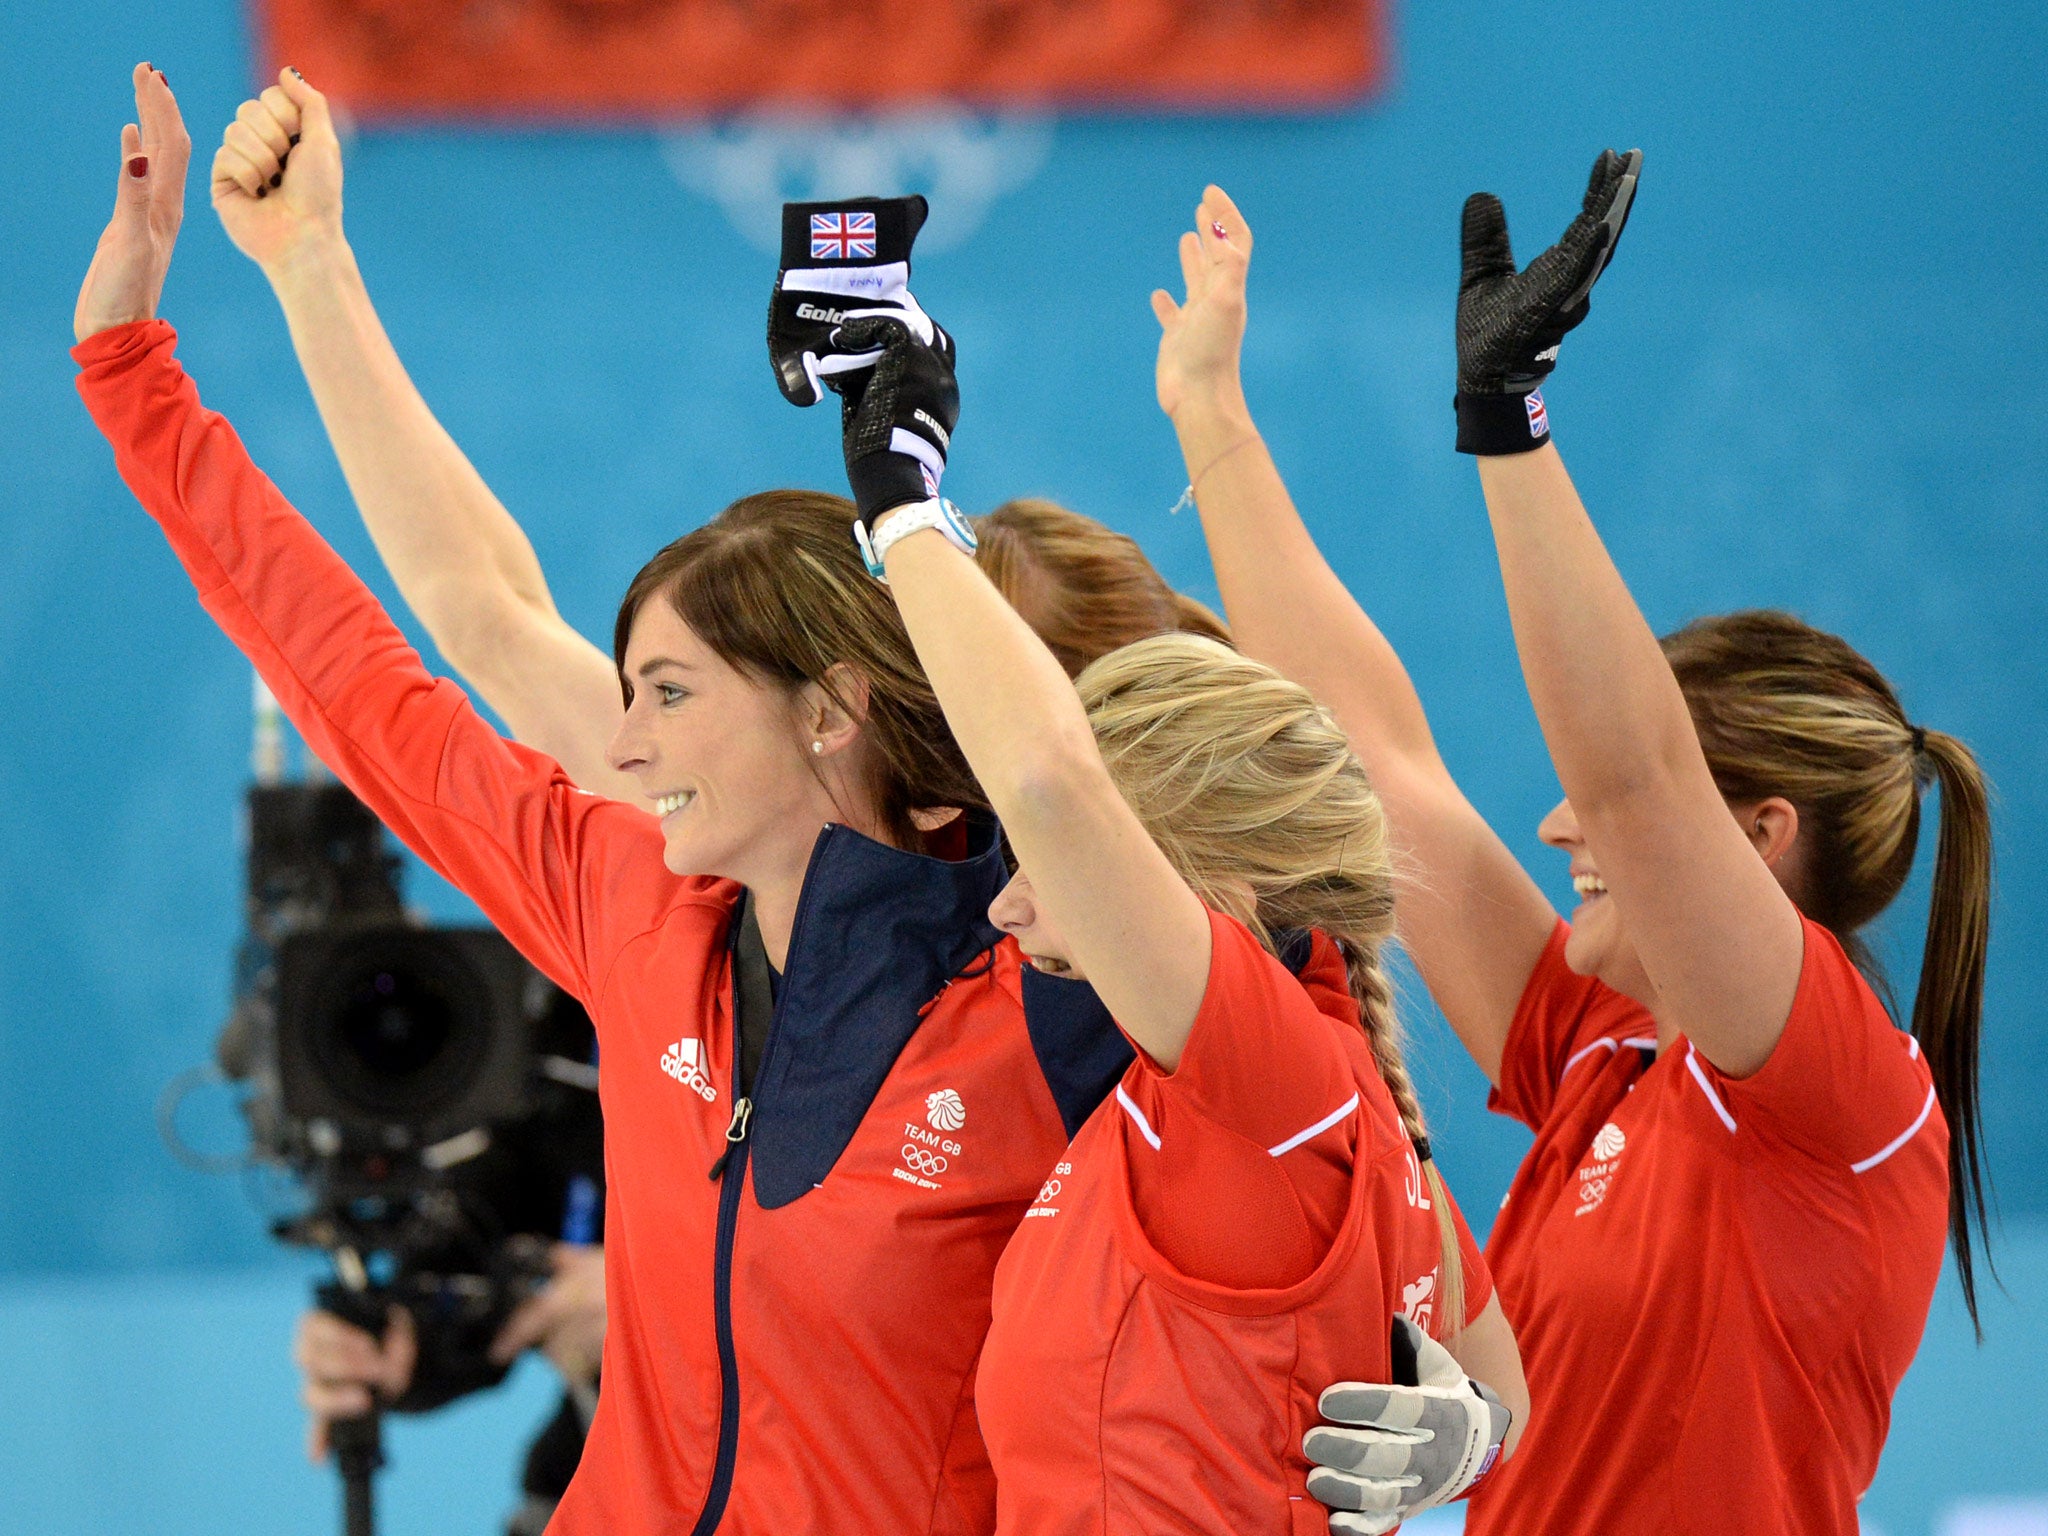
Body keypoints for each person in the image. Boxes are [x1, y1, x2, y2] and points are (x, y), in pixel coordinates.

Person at [77, 66, 1130, 1536]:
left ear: (832, 708)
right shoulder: (631, 905)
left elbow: (1314, 1142)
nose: (621, 748)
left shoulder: (1065, 987)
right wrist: (148, 369)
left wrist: (1432, 1392)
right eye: (627, 692)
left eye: (674, 695)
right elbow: (382, 660)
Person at [1158, 166, 1989, 1536]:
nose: (1559, 826)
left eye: (1596, 813)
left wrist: (1510, 422)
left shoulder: (1846, 1094)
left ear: (1762, 838)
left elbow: (1638, 775)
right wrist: (1208, 413)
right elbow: (1377, 758)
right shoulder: (1599, 1052)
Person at [815, 311, 1529, 1534]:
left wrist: (898, 494)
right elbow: (1496, 1382)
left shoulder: (1265, 1078)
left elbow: (1044, 778)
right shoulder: (1298, 1092)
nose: (1005, 893)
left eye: (1050, 860)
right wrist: (1473, 1436)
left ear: (1204, 881)